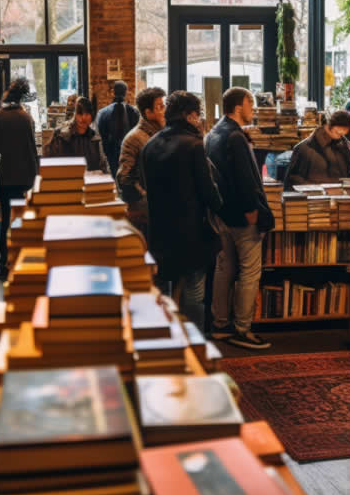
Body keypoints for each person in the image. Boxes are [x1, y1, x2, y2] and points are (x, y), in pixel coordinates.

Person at [139, 91, 223, 328]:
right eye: (197, 115)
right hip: (191, 231)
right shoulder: (194, 145)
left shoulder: (150, 145)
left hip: (160, 229)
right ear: (188, 115)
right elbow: (208, 191)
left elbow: (145, 185)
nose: (198, 120)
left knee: (167, 290)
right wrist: (219, 205)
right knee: (195, 291)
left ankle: (169, 340)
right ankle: (194, 342)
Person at [205, 87, 275, 350]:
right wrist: (252, 209)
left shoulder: (212, 133)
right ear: (237, 107)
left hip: (221, 214)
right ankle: (243, 330)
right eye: (250, 103)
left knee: (224, 268)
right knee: (249, 272)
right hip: (243, 217)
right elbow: (245, 178)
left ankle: (220, 325)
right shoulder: (234, 136)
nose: (253, 109)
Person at [0, 78, 40, 280]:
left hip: (6, 178)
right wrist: (36, 176)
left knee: (6, 222)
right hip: (26, 177)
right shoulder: (27, 118)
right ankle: (24, 262)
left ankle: (4, 265)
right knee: (23, 222)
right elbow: (32, 151)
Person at [116, 86, 165, 236]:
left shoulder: (162, 133)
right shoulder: (134, 138)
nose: (165, 110)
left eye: (164, 106)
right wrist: (145, 199)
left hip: (161, 208)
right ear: (148, 112)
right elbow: (124, 177)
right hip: (145, 211)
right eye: (160, 107)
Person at [285, 110, 350, 186]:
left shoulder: (344, 146)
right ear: (328, 125)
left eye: (343, 134)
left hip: (341, 194)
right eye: (337, 132)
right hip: (315, 195)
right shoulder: (304, 149)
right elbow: (293, 181)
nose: (340, 136)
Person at [43, 95, 110, 173]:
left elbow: (103, 166)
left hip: (90, 182)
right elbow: (50, 166)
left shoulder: (95, 138)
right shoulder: (61, 135)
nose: (84, 117)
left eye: (87, 113)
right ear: (74, 114)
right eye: (80, 113)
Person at [94, 80, 139, 176]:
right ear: (126, 92)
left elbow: (100, 137)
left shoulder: (102, 113)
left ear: (112, 92)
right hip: (128, 156)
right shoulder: (134, 112)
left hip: (109, 155)